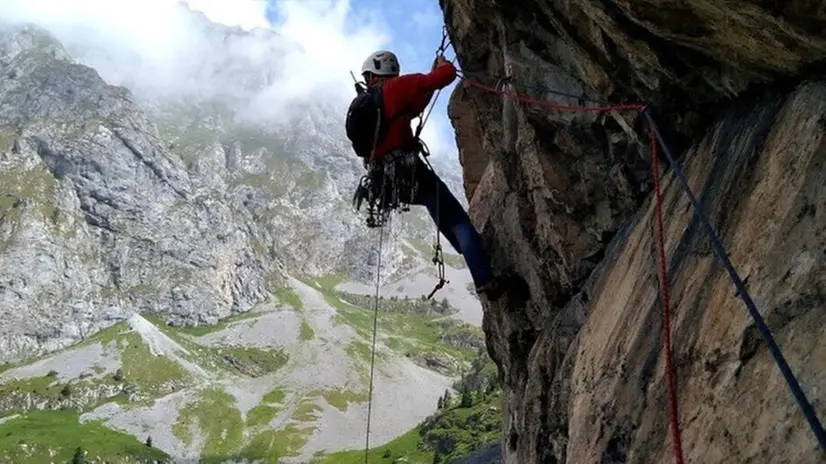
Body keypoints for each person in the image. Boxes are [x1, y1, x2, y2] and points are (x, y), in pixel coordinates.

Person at [351, 50, 504, 301]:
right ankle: (485, 277)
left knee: (440, 211)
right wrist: (441, 66)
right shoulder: (397, 87)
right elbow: (446, 75)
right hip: (408, 169)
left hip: (385, 180)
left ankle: (475, 255)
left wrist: (432, 76)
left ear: (371, 75)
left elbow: (416, 103)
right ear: (391, 70)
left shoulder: (370, 103)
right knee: (456, 220)